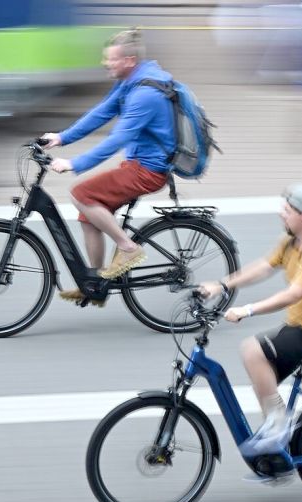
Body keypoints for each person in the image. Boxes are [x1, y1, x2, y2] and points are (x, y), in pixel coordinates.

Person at [200, 184, 302, 459]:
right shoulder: (291, 242)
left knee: (252, 350)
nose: (281, 213)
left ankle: (280, 426)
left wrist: (248, 310)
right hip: (299, 325)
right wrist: (222, 285)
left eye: (287, 209)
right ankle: (279, 453)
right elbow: (264, 267)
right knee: (263, 381)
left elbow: (294, 294)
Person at [40, 29, 176, 303]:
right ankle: (96, 284)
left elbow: (118, 138)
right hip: (137, 163)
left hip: (147, 170)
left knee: (81, 194)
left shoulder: (145, 94)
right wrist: (61, 137)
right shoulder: (131, 82)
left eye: (110, 59)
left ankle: (128, 248)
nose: (105, 63)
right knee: (88, 215)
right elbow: (101, 113)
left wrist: (74, 163)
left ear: (129, 60)